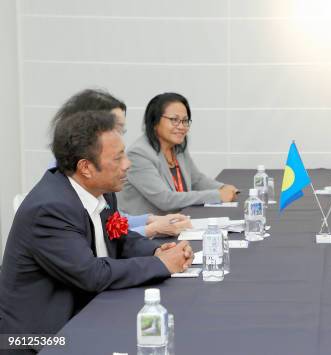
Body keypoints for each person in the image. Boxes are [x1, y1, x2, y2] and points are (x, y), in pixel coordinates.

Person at [0, 111, 193, 353]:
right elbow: (91, 274)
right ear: (86, 168)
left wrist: (157, 250)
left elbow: (119, 238)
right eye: (118, 158)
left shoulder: (101, 189)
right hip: (42, 338)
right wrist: (162, 265)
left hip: (88, 312)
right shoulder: (49, 209)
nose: (128, 164)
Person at [49, 89, 192, 238]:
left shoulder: (102, 180)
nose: (119, 136)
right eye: (115, 128)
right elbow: (99, 242)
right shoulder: (65, 186)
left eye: (121, 130)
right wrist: (152, 229)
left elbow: (114, 221)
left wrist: (151, 220)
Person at [118, 92, 238, 215]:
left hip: (178, 222)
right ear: (154, 122)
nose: (181, 126)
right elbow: (165, 199)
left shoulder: (177, 147)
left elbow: (196, 180)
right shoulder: (139, 154)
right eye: (174, 120)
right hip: (149, 230)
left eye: (185, 121)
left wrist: (223, 188)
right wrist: (217, 195)